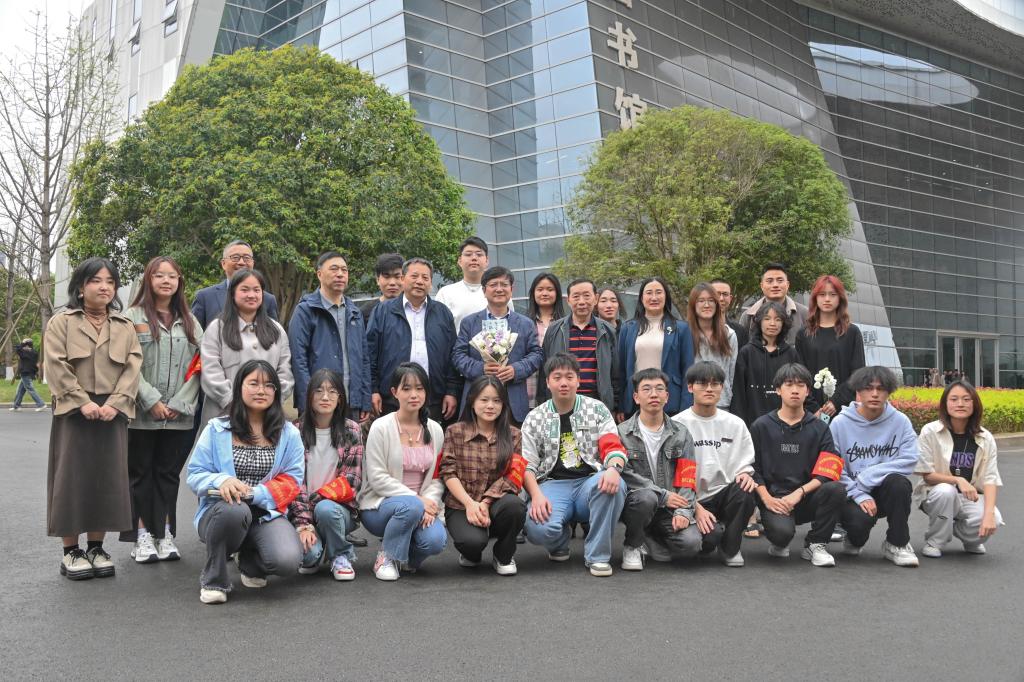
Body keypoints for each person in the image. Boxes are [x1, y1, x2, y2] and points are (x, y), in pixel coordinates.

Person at [45, 257, 143, 580]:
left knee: (106, 478)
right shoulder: (62, 323)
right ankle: (71, 552)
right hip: (73, 412)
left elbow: (133, 367)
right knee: (71, 480)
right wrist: (81, 402)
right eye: (96, 281)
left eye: (110, 282)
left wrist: (116, 403)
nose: (104, 287)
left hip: (112, 412)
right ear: (80, 287)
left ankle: (96, 548)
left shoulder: (124, 326)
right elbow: (56, 365)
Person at [186, 360, 305, 604]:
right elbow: (195, 474)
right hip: (221, 512)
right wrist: (222, 480)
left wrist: (255, 494)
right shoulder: (216, 429)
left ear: (276, 392)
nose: (261, 390)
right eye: (253, 384)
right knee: (235, 510)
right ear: (239, 387)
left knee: (288, 560)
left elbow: (293, 480)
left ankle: (251, 563)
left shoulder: (289, 433)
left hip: (264, 513)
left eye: (269, 385)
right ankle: (214, 579)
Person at [120, 256, 203, 564]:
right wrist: (150, 400)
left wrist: (180, 403)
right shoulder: (132, 317)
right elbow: (127, 363)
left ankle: (165, 534)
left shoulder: (190, 320)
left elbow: (201, 365)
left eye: (172, 276)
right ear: (148, 280)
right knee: (140, 475)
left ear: (179, 282)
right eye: (159, 275)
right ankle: (142, 536)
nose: (166, 281)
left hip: (178, 416)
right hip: (141, 415)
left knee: (168, 475)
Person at [521, 353, 628, 577]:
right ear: (547, 382)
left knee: (614, 484)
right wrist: (536, 495)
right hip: (552, 484)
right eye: (557, 377)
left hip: (589, 481)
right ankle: (559, 541)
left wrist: (613, 469)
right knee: (537, 528)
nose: (564, 383)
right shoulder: (534, 417)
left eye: (569, 377)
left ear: (578, 381)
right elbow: (527, 465)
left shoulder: (596, 409)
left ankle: (598, 556)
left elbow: (613, 447)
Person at [358, 363, 447, 581]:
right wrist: (418, 500)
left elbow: (437, 477)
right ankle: (386, 557)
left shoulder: (435, 429)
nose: (413, 395)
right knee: (410, 506)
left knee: (436, 540)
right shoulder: (381, 427)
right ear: (394, 392)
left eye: (419, 388)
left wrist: (429, 503)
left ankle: (405, 558)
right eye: (406, 389)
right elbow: (377, 478)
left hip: (421, 505)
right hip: (380, 505)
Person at [751, 363, 845, 567]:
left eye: (801, 385)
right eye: (788, 384)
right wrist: (767, 499)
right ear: (778, 389)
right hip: (775, 499)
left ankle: (816, 544)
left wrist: (799, 493)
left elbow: (828, 471)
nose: (795, 390)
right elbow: (752, 469)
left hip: (806, 498)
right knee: (781, 536)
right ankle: (779, 540)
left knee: (836, 489)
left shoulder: (820, 427)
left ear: (808, 391)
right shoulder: (761, 426)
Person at [829, 366, 920, 567]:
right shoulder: (840, 423)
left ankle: (897, 543)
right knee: (857, 529)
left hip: (884, 490)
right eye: (868, 388)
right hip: (853, 493)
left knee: (900, 484)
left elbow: (910, 458)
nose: (875, 394)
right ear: (858, 391)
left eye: (881, 388)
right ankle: (854, 537)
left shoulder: (900, 421)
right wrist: (858, 493)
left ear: (889, 392)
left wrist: (868, 477)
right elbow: (834, 466)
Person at [672, 361, 757, 567]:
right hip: (690, 497)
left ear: (722, 388)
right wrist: (695, 506)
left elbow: (745, 463)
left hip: (723, 493)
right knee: (708, 541)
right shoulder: (677, 424)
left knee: (746, 490)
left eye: (715, 384)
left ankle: (731, 548)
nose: (709, 389)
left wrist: (745, 474)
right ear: (690, 387)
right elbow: (669, 474)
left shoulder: (735, 423)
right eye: (702, 384)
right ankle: (713, 537)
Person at [440, 375, 527, 575]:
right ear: (472, 401)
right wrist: (470, 504)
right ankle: (471, 554)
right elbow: (448, 471)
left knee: (515, 507)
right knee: (471, 542)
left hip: (496, 503)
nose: (490, 406)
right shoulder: (454, 431)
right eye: (484, 400)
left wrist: (486, 503)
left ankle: (503, 555)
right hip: (461, 504)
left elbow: (513, 477)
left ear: (503, 404)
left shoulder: (514, 434)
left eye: (496, 400)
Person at [618, 368, 699, 569]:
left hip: (670, 508)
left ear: (667, 396)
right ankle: (632, 544)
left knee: (691, 544)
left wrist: (683, 511)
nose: (654, 394)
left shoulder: (681, 433)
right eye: (646, 389)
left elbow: (687, 476)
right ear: (636, 397)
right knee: (646, 498)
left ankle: (651, 537)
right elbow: (624, 474)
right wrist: (661, 495)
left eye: (659, 389)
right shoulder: (621, 432)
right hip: (636, 504)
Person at [288, 368, 364, 580]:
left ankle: (340, 555)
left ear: (340, 398)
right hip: (301, 510)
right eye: (319, 391)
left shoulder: (352, 430)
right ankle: (318, 547)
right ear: (309, 396)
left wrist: (314, 505)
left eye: (332, 391)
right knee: (308, 557)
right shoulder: (294, 431)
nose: (325, 397)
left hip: (337, 510)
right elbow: (292, 483)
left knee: (326, 510)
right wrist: (304, 524)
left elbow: (351, 482)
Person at [915, 380, 1004, 557]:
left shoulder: (985, 437)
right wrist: (957, 480)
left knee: (994, 518)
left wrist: (988, 514)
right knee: (946, 491)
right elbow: (927, 475)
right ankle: (935, 541)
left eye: (966, 399)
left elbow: (990, 478)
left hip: (970, 497)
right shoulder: (930, 431)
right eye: (954, 399)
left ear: (974, 404)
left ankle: (967, 537)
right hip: (936, 493)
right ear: (945, 404)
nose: (960, 404)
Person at [367, 257, 460, 422]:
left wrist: (451, 391)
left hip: (433, 399)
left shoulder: (443, 313)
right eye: (414, 276)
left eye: (425, 278)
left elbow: (453, 355)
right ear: (403, 279)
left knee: (430, 437)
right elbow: (369, 353)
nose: (419, 282)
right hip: (392, 398)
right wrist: (373, 390)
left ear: (430, 283)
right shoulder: (383, 311)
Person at [200, 268, 293, 429]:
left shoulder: (276, 330)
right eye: (244, 290)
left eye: (257, 290)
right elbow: (210, 372)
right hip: (224, 414)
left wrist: (269, 401)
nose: (251, 295)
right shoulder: (217, 328)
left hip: (267, 416)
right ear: (232, 293)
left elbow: (285, 373)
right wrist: (232, 403)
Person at [452, 266, 543, 426]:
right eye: (493, 285)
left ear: (511, 289)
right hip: (477, 400)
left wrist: (516, 370)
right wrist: (481, 369)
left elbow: (536, 354)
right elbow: (458, 356)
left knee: (512, 441)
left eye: (504, 285)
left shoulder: (525, 323)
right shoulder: (469, 323)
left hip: (513, 400)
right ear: (484, 290)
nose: (499, 289)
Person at [289, 251, 370, 420]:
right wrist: (308, 399)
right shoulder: (305, 311)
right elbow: (298, 360)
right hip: (319, 402)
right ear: (319, 274)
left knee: (350, 438)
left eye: (344, 270)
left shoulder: (354, 312)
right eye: (334, 269)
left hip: (351, 402)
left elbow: (364, 360)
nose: (340, 274)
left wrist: (364, 399)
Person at [616, 277, 694, 420]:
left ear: (666, 296)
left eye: (658, 292)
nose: (654, 297)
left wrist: (686, 406)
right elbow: (621, 370)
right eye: (649, 293)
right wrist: (621, 404)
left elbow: (688, 371)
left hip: (670, 402)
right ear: (641, 298)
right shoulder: (628, 328)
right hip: (636, 401)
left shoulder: (681, 329)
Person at [538, 278, 619, 413]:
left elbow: (615, 373)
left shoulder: (607, 330)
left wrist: (615, 405)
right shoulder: (554, 329)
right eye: (576, 297)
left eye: (587, 296)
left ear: (595, 299)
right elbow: (544, 370)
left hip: (598, 402)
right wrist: (543, 403)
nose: (581, 302)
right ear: (568, 300)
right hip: (562, 401)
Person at [795, 275, 865, 417]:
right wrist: (813, 407)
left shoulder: (852, 332)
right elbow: (799, 373)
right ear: (815, 298)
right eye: (822, 294)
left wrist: (835, 402)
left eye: (833, 295)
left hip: (844, 410)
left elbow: (858, 374)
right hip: (810, 411)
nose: (827, 299)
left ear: (840, 298)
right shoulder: (803, 334)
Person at [730, 300, 801, 427]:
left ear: (784, 323)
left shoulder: (791, 354)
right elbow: (738, 393)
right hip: (752, 423)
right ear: (759, 322)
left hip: (785, 424)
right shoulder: (747, 352)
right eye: (767, 319)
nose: (772, 323)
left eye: (778, 319)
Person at [191, 239, 279, 327]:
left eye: (246, 258)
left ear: (252, 263)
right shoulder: (204, 297)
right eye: (235, 257)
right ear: (223, 263)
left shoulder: (268, 300)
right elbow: (194, 333)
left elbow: (273, 333)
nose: (241, 262)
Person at [687, 282, 737, 411]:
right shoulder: (685, 333)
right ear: (693, 304)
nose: (707, 305)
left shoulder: (729, 334)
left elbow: (731, 373)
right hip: (691, 402)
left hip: (722, 402)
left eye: (711, 301)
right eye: (701, 301)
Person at [737, 263, 807, 345]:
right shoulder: (748, 316)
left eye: (780, 281)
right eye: (769, 281)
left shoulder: (805, 314)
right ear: (762, 286)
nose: (775, 285)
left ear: (787, 285)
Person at [525, 272, 565, 407]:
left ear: (557, 293)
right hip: (529, 388)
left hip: (557, 389)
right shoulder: (524, 323)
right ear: (533, 293)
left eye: (550, 289)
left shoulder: (565, 323)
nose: (545, 293)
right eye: (540, 289)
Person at [435, 236, 489, 331]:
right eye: (468, 254)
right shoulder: (446, 293)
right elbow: (438, 329)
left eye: (479, 254)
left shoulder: (498, 292)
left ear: (487, 261)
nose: (474, 258)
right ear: (460, 261)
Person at [359, 252, 403, 326]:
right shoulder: (365, 313)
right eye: (387, 277)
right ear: (377, 280)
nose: (392, 283)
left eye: (397, 276)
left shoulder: (414, 309)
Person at [709, 279, 748, 349]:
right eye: (717, 294)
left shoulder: (740, 331)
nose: (721, 298)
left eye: (725, 294)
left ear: (730, 298)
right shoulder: (693, 329)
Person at [10, 338, 47, 411]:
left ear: (27, 346)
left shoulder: (25, 353)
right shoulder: (34, 352)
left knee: (30, 389)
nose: (23, 347)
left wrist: (23, 342)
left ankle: (41, 404)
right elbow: (19, 349)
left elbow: (18, 349)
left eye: (24, 345)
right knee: (20, 390)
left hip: (26, 373)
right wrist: (24, 343)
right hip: (30, 373)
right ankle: (16, 406)